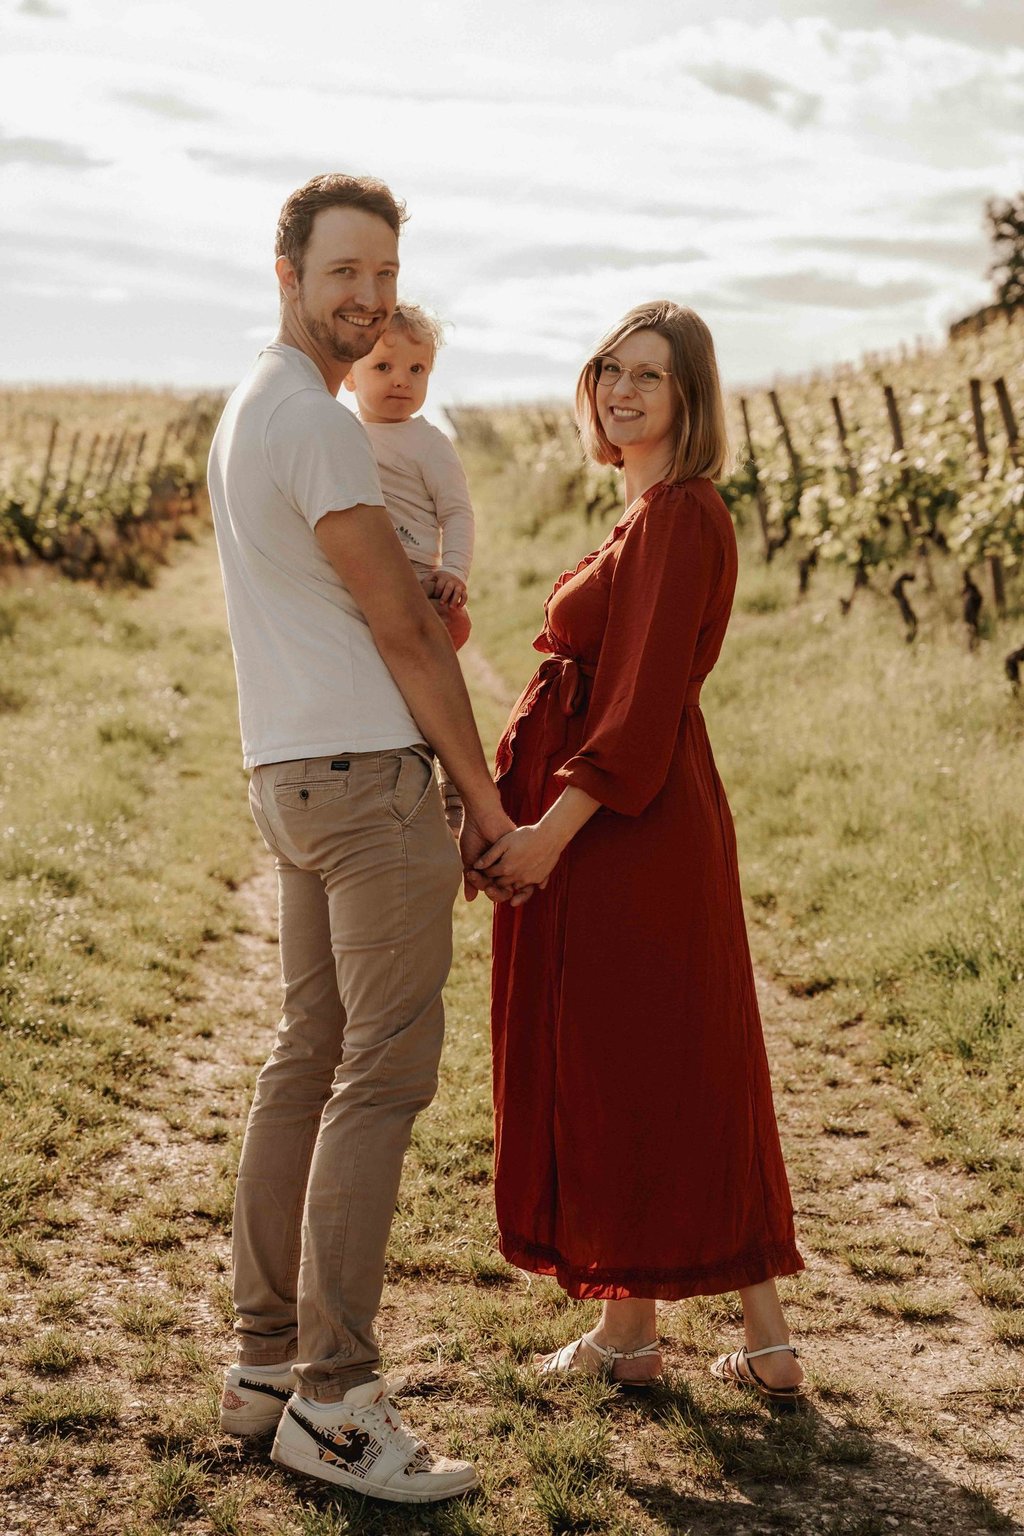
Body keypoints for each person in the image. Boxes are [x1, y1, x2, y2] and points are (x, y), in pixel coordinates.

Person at [207, 172, 515, 1504]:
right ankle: (335, 1403)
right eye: (345, 271)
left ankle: (264, 1367)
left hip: (288, 771)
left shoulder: (252, 408)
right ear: (287, 272)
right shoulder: (320, 427)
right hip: (364, 784)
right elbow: (404, 631)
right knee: (377, 1081)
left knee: (305, 1060)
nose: (370, 297)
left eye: (385, 274)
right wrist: (486, 804)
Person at [476, 301, 807, 1403]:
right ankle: (703, 1336)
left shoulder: (678, 514)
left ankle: (670, 1337)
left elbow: (637, 709)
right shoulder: (650, 511)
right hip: (626, 822)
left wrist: (545, 836)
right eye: (611, 369)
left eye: (649, 377)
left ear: (689, 397)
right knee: (658, 1061)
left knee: (644, 1062)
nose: (621, 391)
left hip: (629, 827)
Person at [342, 302, 475, 830]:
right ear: (350, 376)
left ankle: (457, 788)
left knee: (433, 689)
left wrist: (454, 569)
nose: (402, 380)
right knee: (389, 692)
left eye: (417, 369)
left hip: (421, 582)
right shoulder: (339, 434)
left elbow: (456, 511)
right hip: (363, 580)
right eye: (383, 367)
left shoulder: (428, 442)